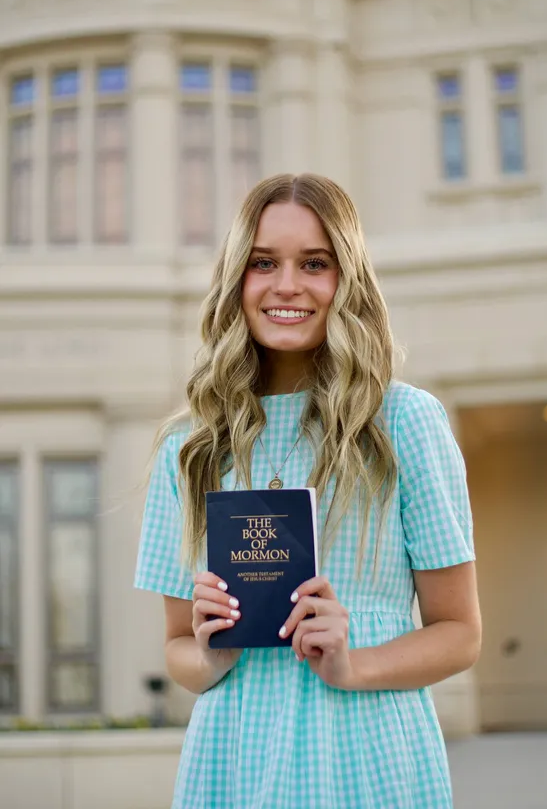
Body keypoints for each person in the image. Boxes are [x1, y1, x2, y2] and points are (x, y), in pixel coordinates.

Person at [134, 173, 481, 809]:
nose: (286, 285)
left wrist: (355, 665)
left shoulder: (405, 423)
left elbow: (460, 633)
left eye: (314, 263)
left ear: (346, 279)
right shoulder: (190, 445)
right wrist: (214, 655)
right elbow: (178, 648)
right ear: (237, 279)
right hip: (232, 763)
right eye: (263, 262)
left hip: (371, 758)